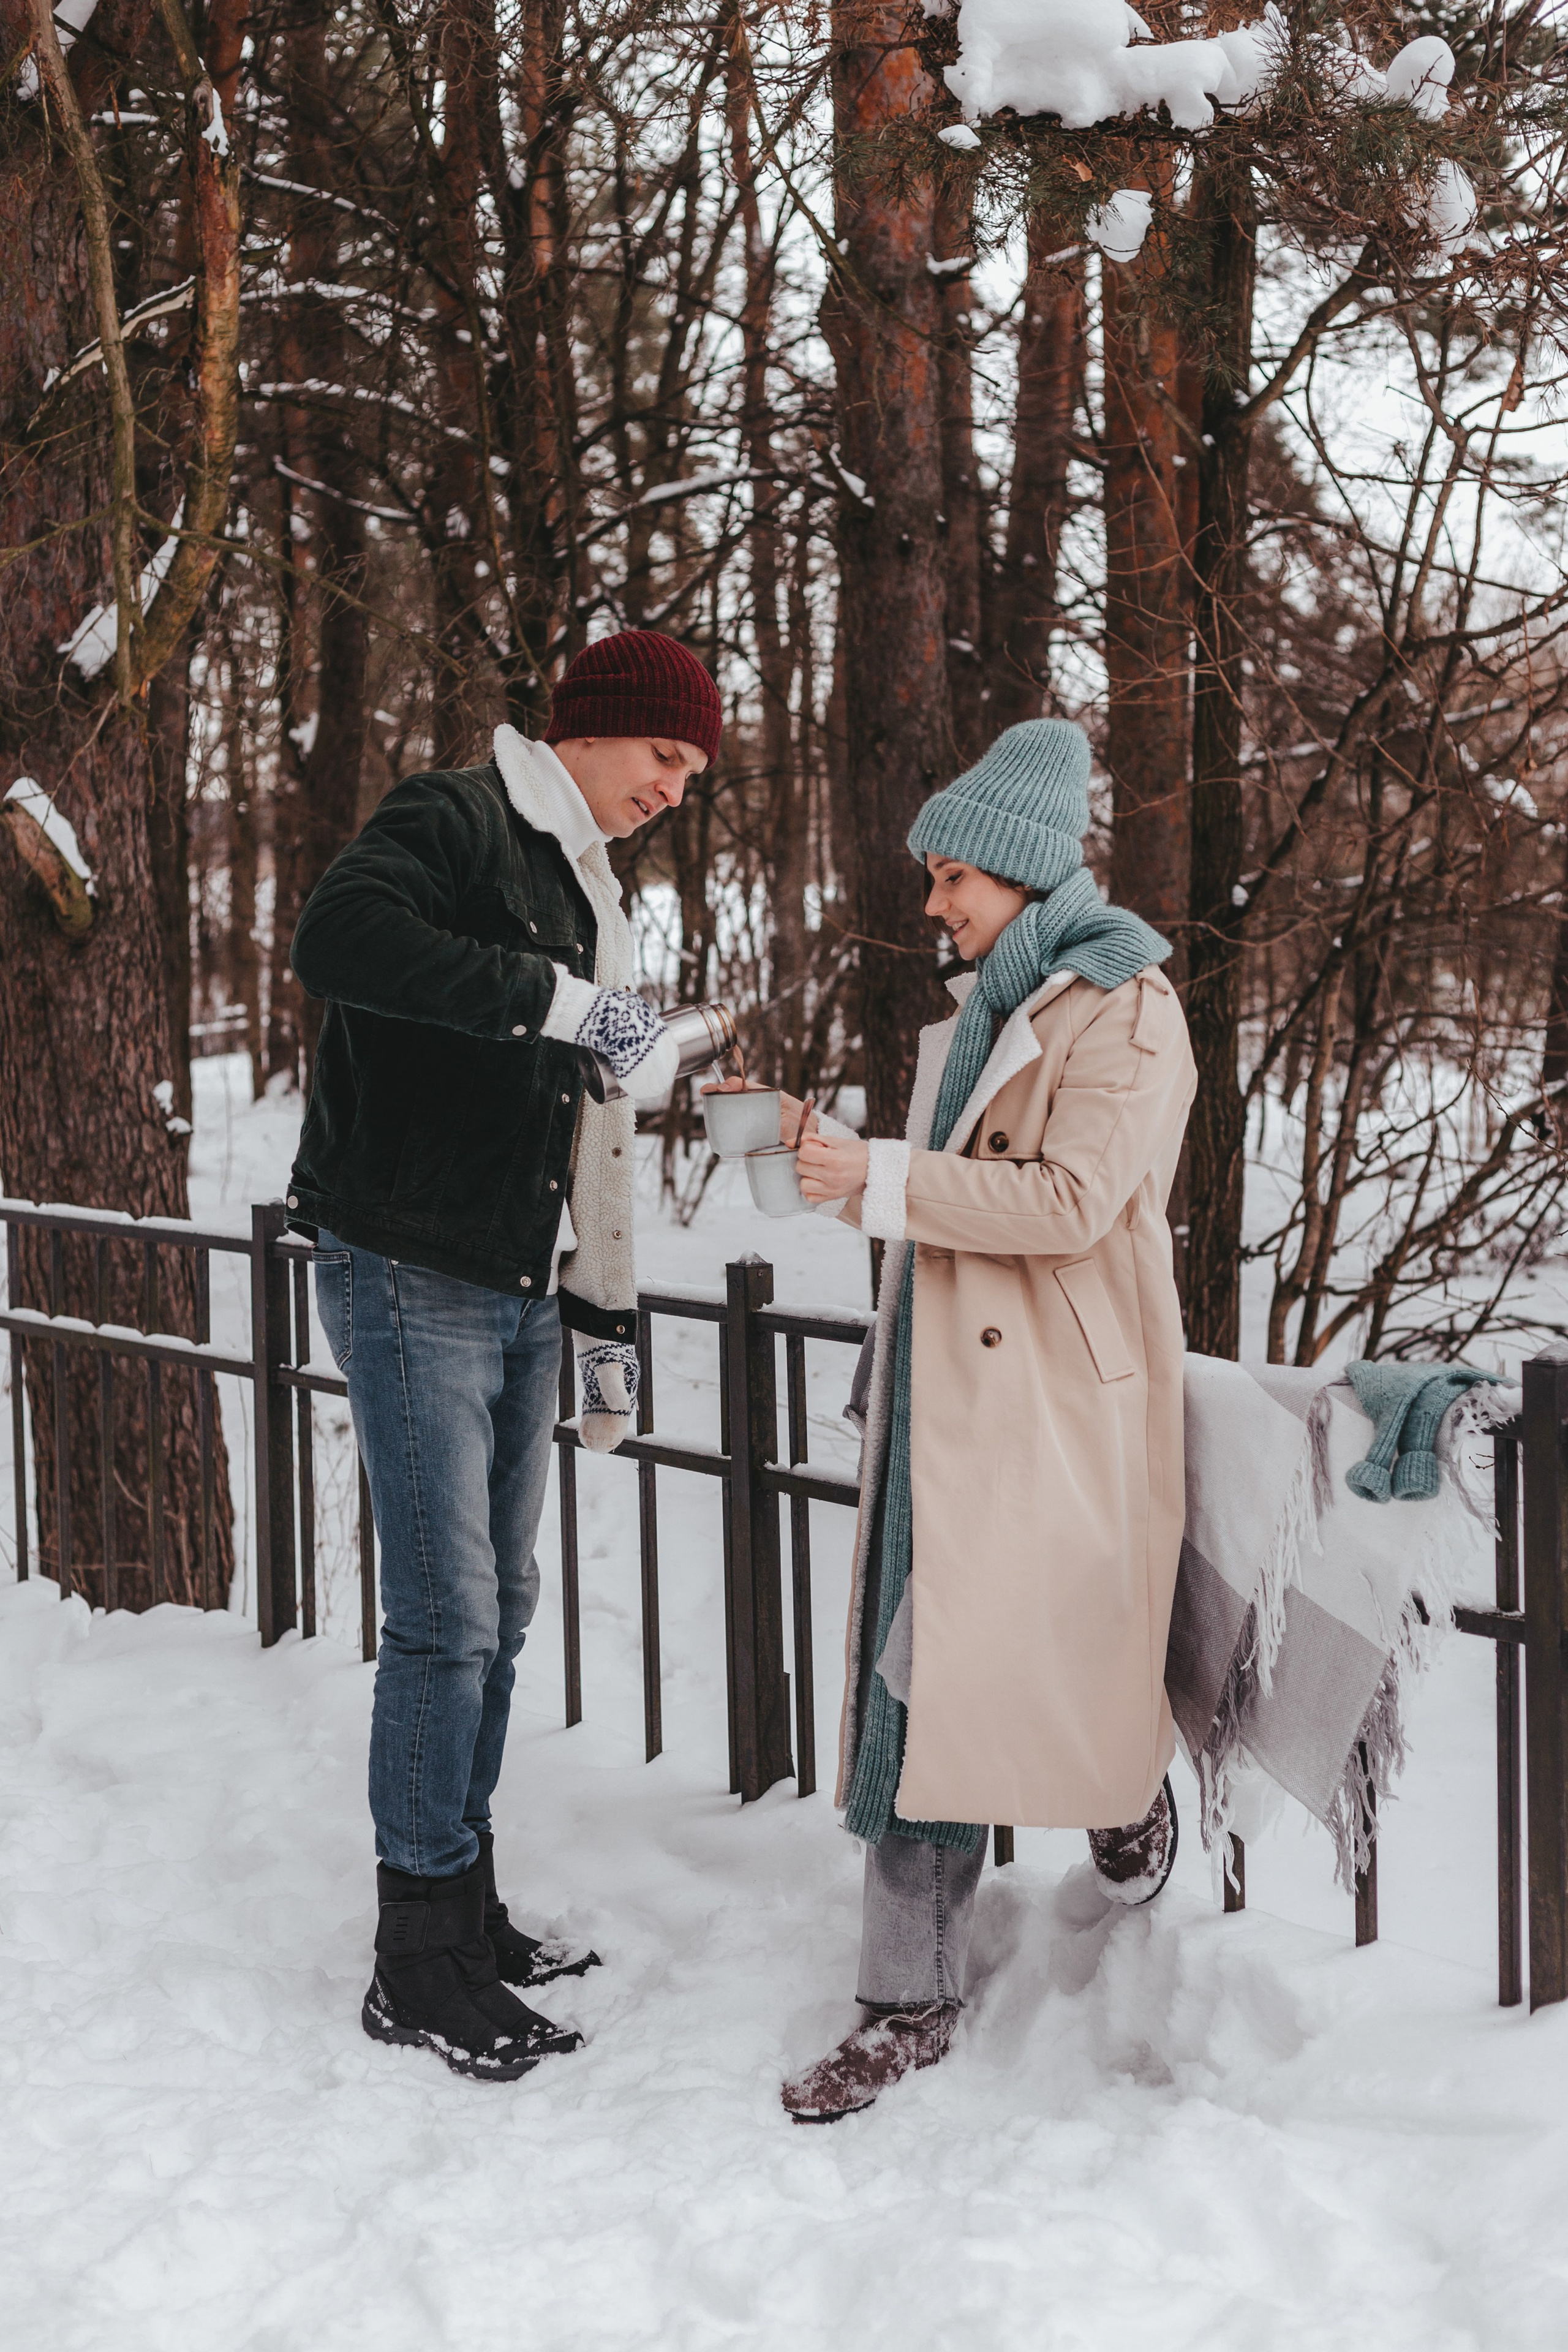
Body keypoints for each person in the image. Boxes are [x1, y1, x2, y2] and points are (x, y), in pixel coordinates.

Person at [284, 630, 722, 2082]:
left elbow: (574, 1112)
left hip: (521, 1286)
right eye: (662, 755)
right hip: (408, 1265)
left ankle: (464, 1909)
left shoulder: (590, 889)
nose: (674, 788)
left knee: (506, 1605)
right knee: (446, 1616)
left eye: (691, 772)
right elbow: (340, 939)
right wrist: (555, 1004)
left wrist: (598, 1310)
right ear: (589, 729)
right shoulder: (459, 816)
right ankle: (416, 1955)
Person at [783, 718, 1197, 2124]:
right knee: (920, 1683)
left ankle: (1123, 1807)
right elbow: (945, 1211)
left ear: (1021, 872)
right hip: (947, 1398)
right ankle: (904, 1997)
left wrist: (886, 1180)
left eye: (953, 876)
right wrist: (850, 1180)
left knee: (1056, 1668)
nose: (934, 903)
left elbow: (1073, 1204)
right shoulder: (975, 1013)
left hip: (1055, 1407)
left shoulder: (1125, 1005)